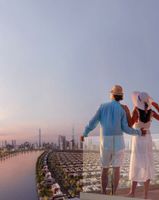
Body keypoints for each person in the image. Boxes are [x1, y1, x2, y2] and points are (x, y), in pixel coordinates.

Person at [81, 85, 146, 195]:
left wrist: (85, 133)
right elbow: (126, 129)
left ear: (112, 94)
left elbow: (92, 123)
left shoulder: (102, 107)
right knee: (116, 170)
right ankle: (114, 194)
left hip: (105, 142)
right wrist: (139, 132)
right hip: (119, 142)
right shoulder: (122, 109)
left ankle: (103, 193)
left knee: (104, 169)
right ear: (121, 97)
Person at [127, 92, 159, 199]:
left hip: (138, 137)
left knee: (136, 163)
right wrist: (156, 105)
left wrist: (128, 112)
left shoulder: (136, 111)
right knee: (147, 164)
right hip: (147, 139)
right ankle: (145, 195)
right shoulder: (152, 112)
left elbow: (130, 125)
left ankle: (132, 192)